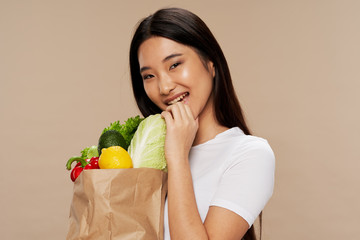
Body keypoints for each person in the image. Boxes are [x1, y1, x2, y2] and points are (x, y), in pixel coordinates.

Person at [129, 8, 275, 240]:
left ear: (210, 63)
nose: (164, 87)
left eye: (174, 65)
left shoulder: (250, 154)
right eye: (149, 76)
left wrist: (177, 155)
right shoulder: (143, 155)